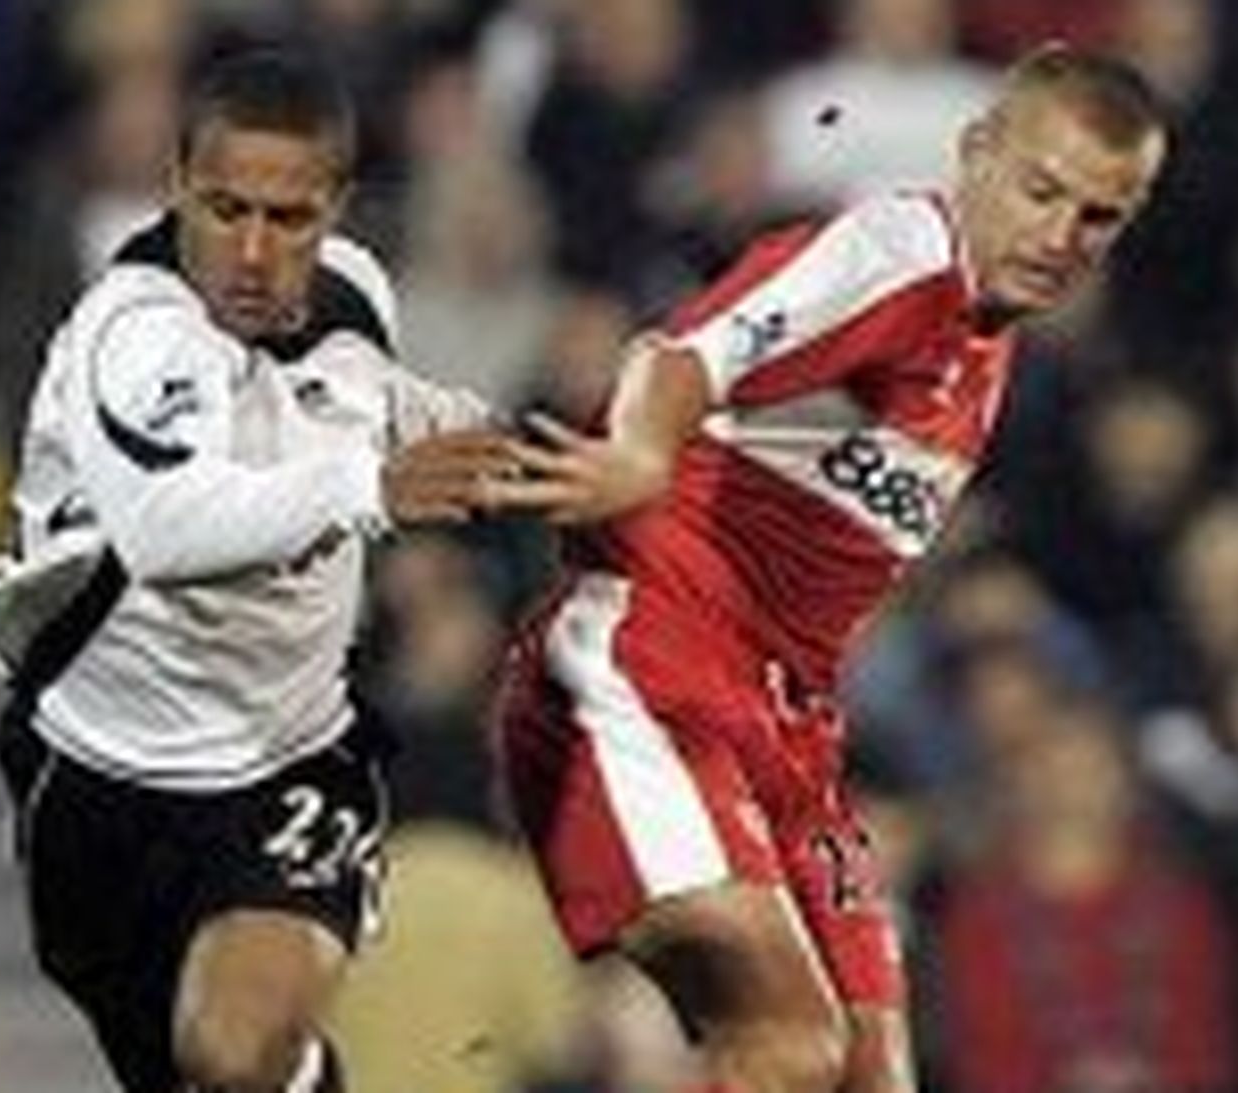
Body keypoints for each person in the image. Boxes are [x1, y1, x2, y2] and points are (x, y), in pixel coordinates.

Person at [487, 44, 1170, 1093]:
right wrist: (638, 450)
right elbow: (685, 353)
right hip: (648, 665)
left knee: (869, 1074)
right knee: (784, 1042)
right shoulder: (899, 251)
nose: (1057, 235)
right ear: (974, 151)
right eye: (1039, 190)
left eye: (1096, 216)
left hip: (789, 730)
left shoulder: (987, 344)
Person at [0, 47, 517, 1093]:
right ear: (174, 189)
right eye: (223, 207)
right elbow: (167, 529)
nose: (250, 250)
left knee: (233, 1048)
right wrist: (373, 489)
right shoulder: (130, 331)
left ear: (336, 208)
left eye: (287, 218)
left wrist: (539, 453)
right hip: (102, 779)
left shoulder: (356, 298)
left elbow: (386, 407)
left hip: (290, 760)